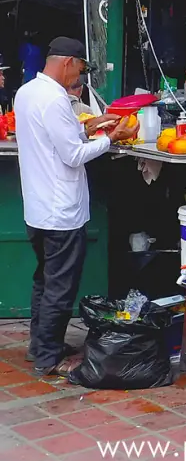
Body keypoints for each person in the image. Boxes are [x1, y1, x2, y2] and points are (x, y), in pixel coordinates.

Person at [14, 37, 138, 377]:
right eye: (80, 69)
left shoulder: (26, 92)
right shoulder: (54, 100)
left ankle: (39, 345)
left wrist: (93, 127)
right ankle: (48, 357)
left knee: (44, 279)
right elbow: (72, 156)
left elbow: (57, 142)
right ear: (68, 62)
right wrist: (110, 139)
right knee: (60, 286)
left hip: (38, 208)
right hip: (60, 211)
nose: (79, 78)